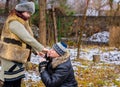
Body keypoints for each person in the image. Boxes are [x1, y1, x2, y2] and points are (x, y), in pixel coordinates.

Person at [0, 1, 48, 87]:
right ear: (20, 11)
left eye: (30, 13)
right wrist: (41, 48)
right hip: (10, 57)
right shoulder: (14, 22)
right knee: (9, 82)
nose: (29, 15)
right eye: (28, 13)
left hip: (17, 57)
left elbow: (25, 41)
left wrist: (36, 51)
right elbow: (27, 38)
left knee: (16, 81)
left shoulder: (22, 22)